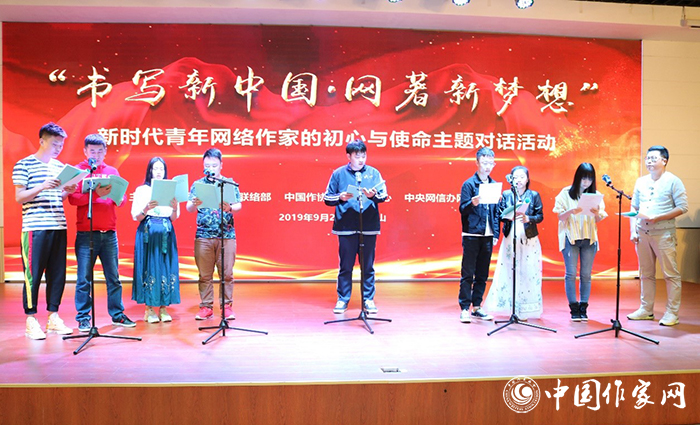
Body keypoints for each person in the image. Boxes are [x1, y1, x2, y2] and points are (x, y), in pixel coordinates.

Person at [13, 122, 76, 340]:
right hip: (35, 227)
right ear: (42, 141)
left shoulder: (60, 167)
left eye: (61, 145)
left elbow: (58, 197)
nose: (59, 148)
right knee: (33, 275)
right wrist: (42, 185)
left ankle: (53, 316)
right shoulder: (24, 165)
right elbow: (19, 197)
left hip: (58, 225)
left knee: (57, 274)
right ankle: (31, 319)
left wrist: (68, 191)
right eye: (55, 144)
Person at [68, 134, 135, 332]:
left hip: (109, 233)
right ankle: (83, 318)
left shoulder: (112, 172)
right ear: (85, 151)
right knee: (83, 279)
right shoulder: (80, 171)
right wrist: (96, 194)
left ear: (105, 152)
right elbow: (73, 199)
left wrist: (118, 197)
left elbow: (121, 200)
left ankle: (117, 314)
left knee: (113, 277)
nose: (96, 155)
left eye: (99, 151)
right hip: (86, 233)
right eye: (92, 151)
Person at [324, 140, 388, 314]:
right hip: (346, 226)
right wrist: (340, 197)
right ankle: (342, 299)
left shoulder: (374, 173)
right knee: (346, 266)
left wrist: (373, 196)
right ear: (348, 156)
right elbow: (327, 198)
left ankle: (368, 299)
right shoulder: (338, 174)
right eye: (357, 156)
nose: (361, 160)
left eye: (363, 156)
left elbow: (384, 196)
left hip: (368, 225)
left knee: (368, 266)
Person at [627, 146, 688, 326]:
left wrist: (659, 217)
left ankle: (672, 313)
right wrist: (633, 231)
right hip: (642, 233)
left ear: (664, 161)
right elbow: (634, 207)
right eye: (647, 158)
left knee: (670, 274)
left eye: (654, 158)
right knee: (646, 274)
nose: (650, 161)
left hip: (663, 233)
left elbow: (683, 207)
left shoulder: (673, 181)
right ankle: (646, 309)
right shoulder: (641, 181)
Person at [186, 148, 241, 321]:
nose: (211, 168)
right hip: (204, 235)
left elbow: (238, 205)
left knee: (227, 274)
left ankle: (227, 307)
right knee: (205, 274)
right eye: (207, 165)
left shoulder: (229, 184)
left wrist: (230, 208)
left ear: (221, 165)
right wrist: (194, 203)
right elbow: (189, 208)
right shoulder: (198, 184)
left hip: (226, 235)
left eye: (214, 165)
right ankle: (206, 306)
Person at [484, 165, 544, 320]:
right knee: (510, 269)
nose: (518, 180)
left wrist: (529, 218)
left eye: (522, 177)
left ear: (527, 179)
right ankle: (510, 306)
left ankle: (525, 308)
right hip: (511, 236)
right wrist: (508, 215)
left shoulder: (534, 195)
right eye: (515, 177)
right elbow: (499, 215)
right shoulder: (506, 194)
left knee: (527, 270)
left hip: (528, 237)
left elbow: (540, 216)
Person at [553, 163, 607, 322]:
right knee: (570, 273)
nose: (586, 182)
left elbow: (599, 219)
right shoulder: (565, 193)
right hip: (570, 237)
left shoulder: (596, 195)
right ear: (577, 177)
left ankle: (583, 306)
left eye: (589, 179)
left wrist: (596, 213)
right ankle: (573, 307)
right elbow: (560, 216)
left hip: (589, 238)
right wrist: (571, 211)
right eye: (583, 178)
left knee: (586, 274)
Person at [131, 157, 180, 323]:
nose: (159, 172)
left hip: (166, 233)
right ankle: (149, 309)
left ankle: (164, 308)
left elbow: (173, 217)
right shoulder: (141, 190)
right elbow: (137, 217)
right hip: (148, 234)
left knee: (166, 268)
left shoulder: (171, 190)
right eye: (155, 168)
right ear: (150, 171)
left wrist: (174, 208)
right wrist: (146, 208)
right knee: (149, 267)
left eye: (161, 169)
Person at [458, 147, 499, 323]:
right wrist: (472, 203)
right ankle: (464, 308)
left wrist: (495, 233)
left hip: (488, 235)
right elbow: (462, 209)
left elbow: (496, 213)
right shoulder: (469, 184)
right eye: (484, 162)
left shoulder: (494, 185)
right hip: (472, 234)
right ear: (477, 163)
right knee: (468, 273)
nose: (488, 166)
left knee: (482, 273)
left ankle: (477, 306)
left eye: (491, 163)